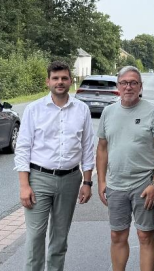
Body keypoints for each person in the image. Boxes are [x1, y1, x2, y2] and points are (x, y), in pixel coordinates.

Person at [13, 61, 95, 271]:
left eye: (64, 78)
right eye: (55, 78)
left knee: (60, 238)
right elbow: (22, 148)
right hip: (39, 178)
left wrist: (87, 182)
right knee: (35, 237)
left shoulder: (82, 109)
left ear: (70, 81)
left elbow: (87, 147)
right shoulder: (34, 109)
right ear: (48, 81)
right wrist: (24, 185)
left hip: (70, 179)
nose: (60, 82)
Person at [96, 66, 154, 271]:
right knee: (117, 235)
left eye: (133, 83)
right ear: (118, 86)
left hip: (144, 185)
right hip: (116, 184)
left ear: (140, 86)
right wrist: (102, 181)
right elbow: (102, 148)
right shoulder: (108, 112)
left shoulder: (153, 112)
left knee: (145, 235)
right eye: (124, 83)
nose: (128, 87)